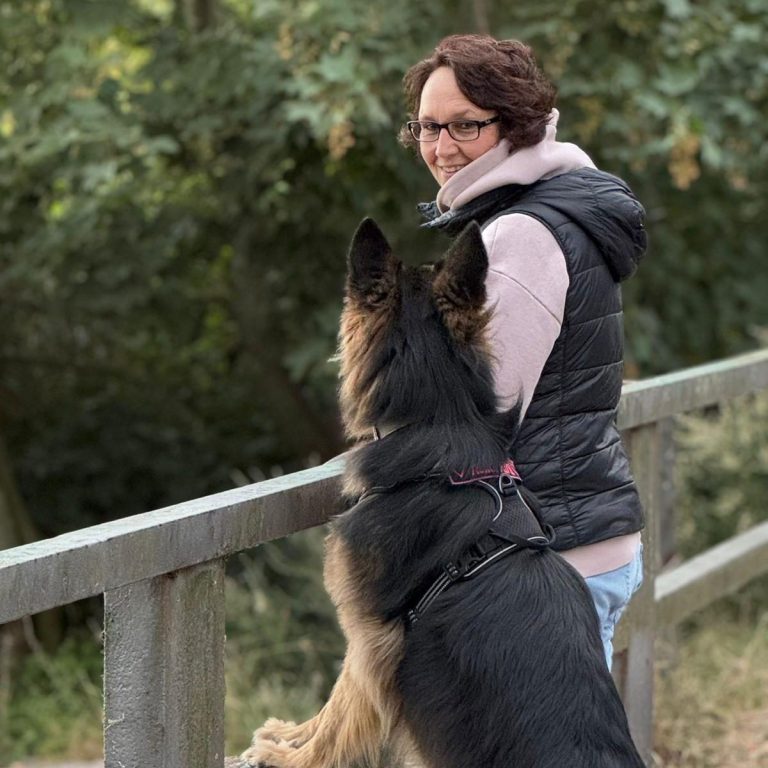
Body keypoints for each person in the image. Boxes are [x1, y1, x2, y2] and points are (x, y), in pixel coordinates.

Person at [400, 33, 647, 669]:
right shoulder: (557, 209)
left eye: (465, 125)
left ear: (515, 124)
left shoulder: (522, 233)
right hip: (579, 536)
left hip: (547, 556)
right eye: (427, 127)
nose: (441, 148)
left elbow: (483, 407)